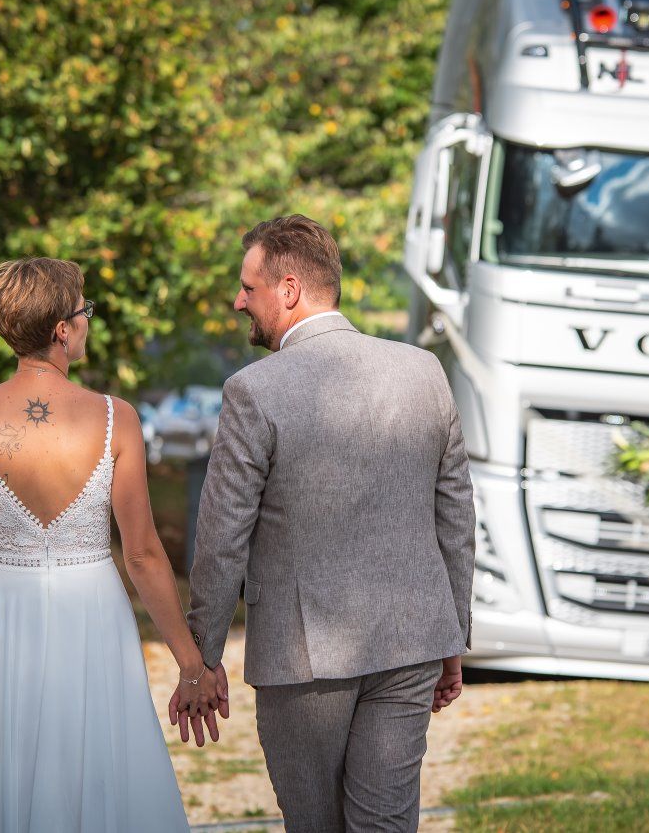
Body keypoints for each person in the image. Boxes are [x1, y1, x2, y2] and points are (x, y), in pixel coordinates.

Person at [0, 257, 216, 832]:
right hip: (89, 609)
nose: (88, 320)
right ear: (62, 330)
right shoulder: (116, 417)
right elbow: (140, 553)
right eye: (84, 310)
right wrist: (191, 663)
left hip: (0, 611)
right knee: (91, 763)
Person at [176, 215, 476, 832]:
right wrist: (453, 636)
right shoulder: (423, 370)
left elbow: (222, 537)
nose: (239, 302)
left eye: (248, 288)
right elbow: (456, 515)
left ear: (288, 290)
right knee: (386, 824)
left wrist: (202, 657)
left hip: (304, 656)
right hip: (413, 639)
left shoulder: (253, 390)